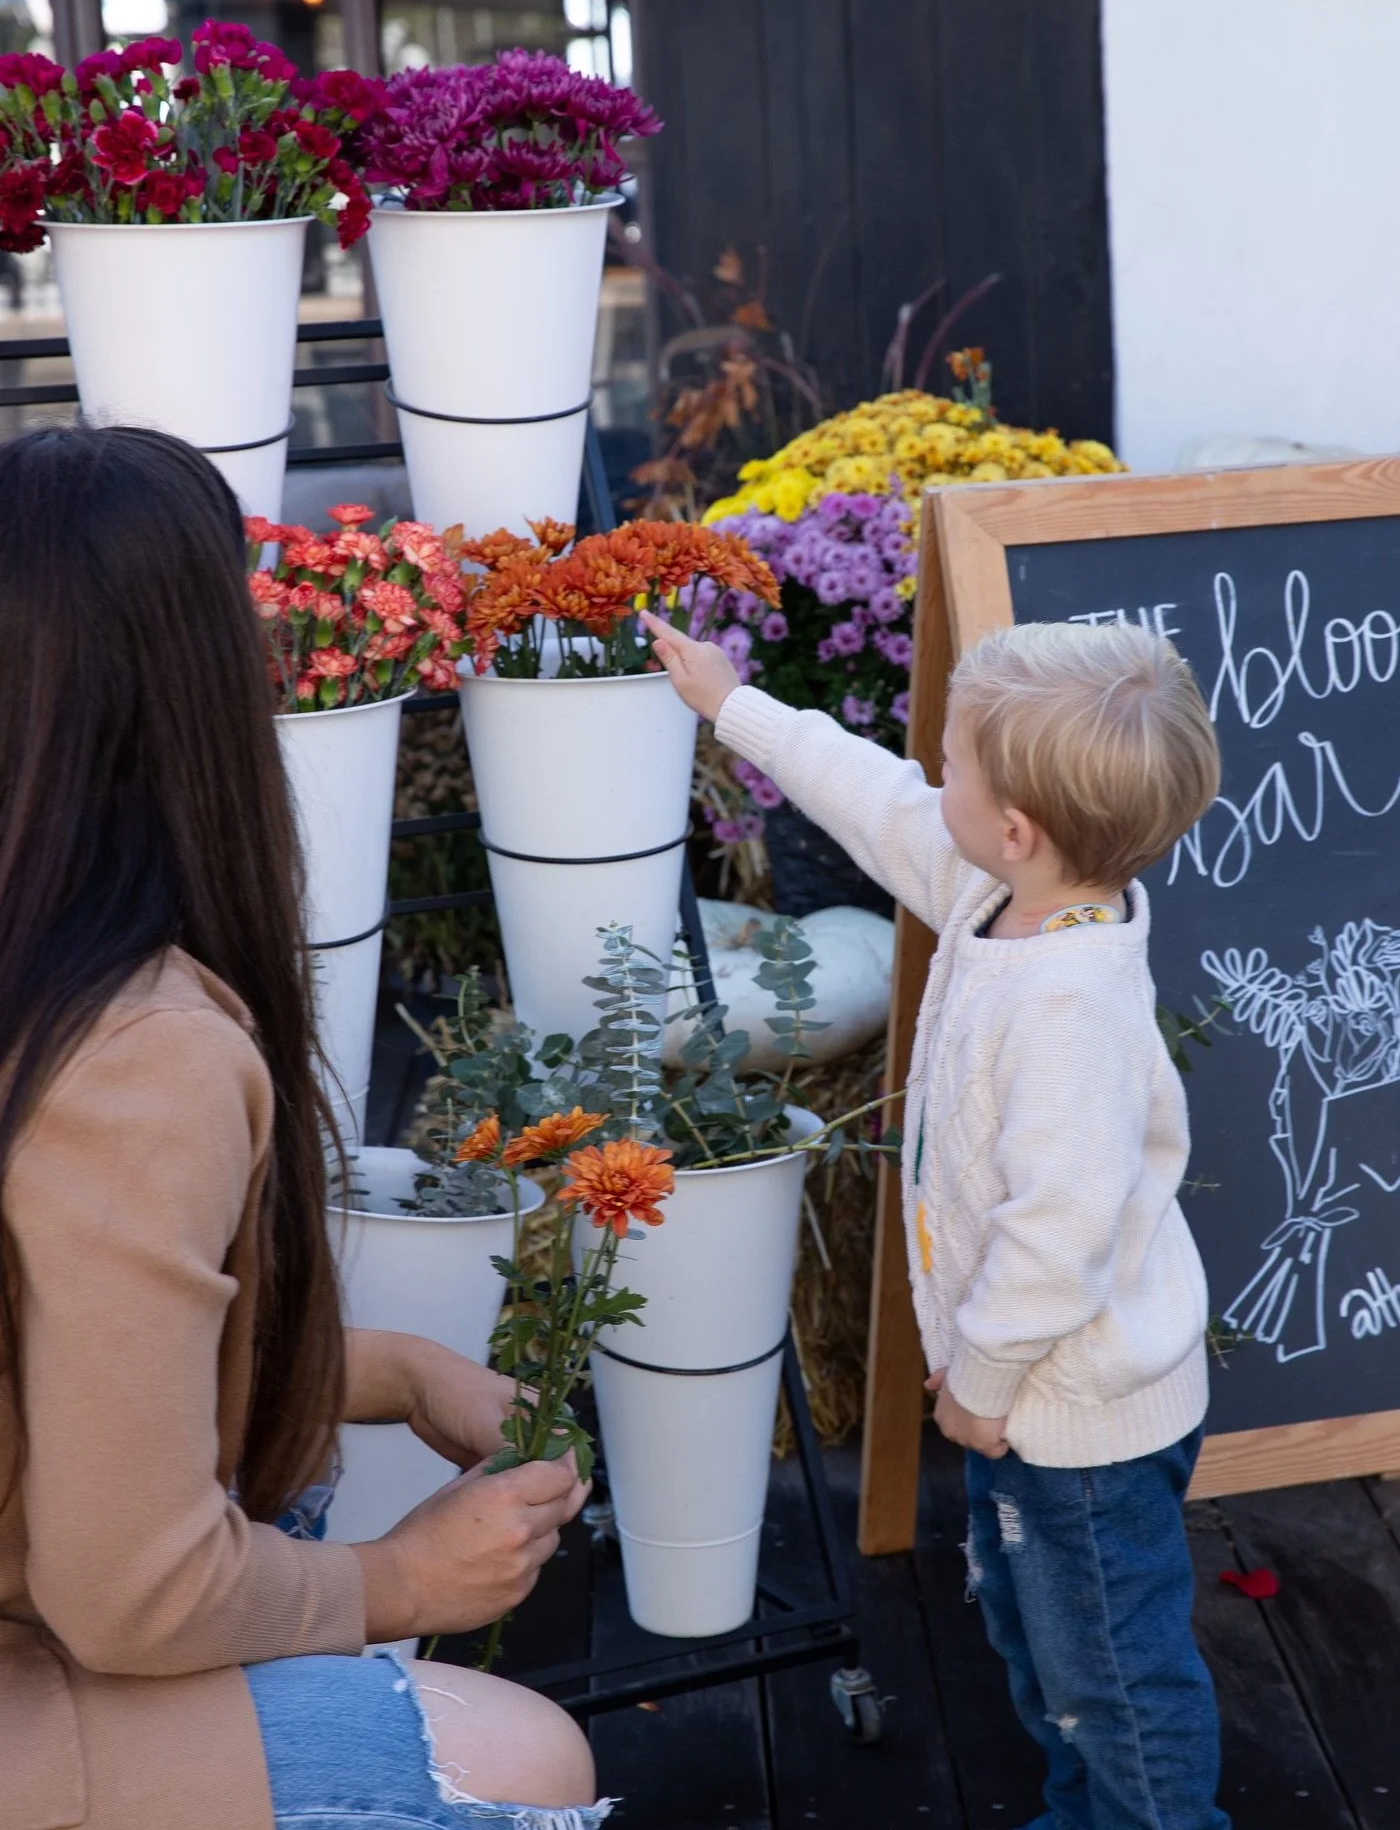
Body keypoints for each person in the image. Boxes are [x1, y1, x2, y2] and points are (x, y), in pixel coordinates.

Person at [0, 427, 605, 1830]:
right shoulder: (138, 1056)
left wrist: (376, 1369)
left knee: (306, 1484)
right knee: (520, 1760)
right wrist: (399, 1585)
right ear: (203, 693)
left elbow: (58, 1349)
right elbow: (128, 1582)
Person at [643, 606, 1229, 1830]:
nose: (932, 773)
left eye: (952, 760)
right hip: (1035, 1408)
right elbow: (873, 797)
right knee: (1044, 1653)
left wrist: (984, 1382)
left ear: (1016, 827)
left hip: (1077, 1423)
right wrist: (730, 704)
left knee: (1113, 1681)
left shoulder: (1069, 1005)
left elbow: (1056, 1234)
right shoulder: (995, 889)